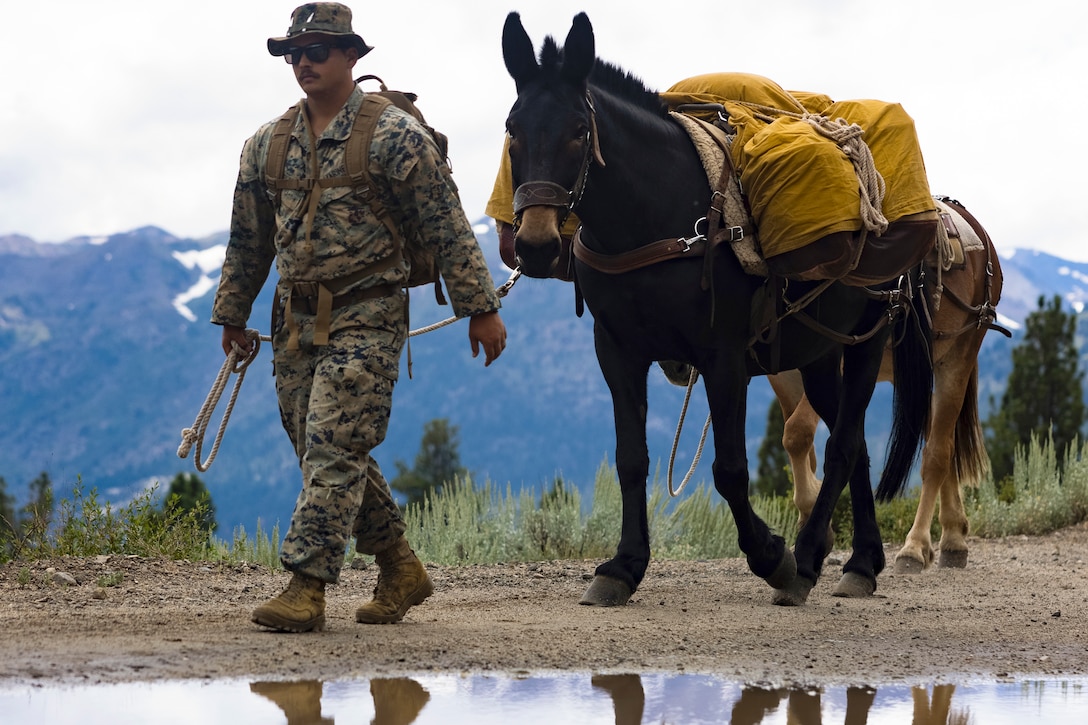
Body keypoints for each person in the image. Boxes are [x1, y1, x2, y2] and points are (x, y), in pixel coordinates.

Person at [211, 2, 507, 633]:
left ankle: (305, 586)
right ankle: (401, 566)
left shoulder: (396, 136)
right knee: (322, 449)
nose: (303, 62)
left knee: (335, 443)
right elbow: (248, 240)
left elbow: (446, 226)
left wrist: (480, 308)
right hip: (292, 317)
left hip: (369, 311)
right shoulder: (266, 145)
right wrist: (233, 316)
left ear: (352, 56)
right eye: (294, 52)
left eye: (318, 49)